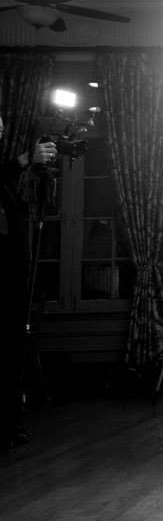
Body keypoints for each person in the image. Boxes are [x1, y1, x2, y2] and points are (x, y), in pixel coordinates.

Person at [0, 112, 57, 449]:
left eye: (3, 126)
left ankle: (10, 423)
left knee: (10, 356)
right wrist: (25, 159)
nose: (2, 131)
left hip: (12, 281)